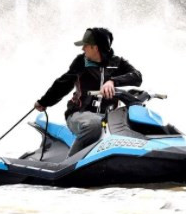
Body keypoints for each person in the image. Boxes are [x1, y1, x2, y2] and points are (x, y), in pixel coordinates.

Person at [34, 27, 142, 155]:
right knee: (94, 125)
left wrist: (113, 81)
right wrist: (44, 102)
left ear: (95, 48)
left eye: (85, 45)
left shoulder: (118, 63)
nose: (82, 48)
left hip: (109, 117)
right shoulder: (81, 62)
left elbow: (137, 77)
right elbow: (63, 84)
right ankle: (70, 164)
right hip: (79, 113)